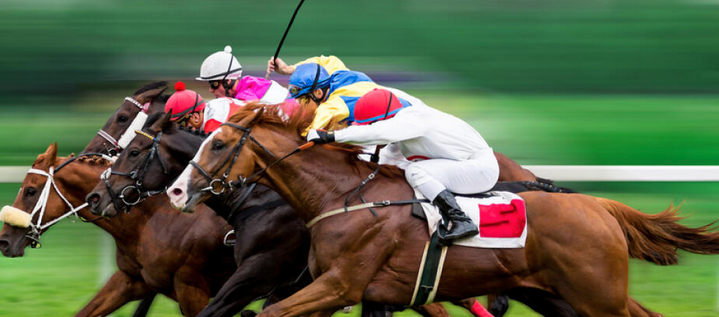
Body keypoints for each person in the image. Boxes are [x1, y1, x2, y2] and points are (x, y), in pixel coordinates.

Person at [306, 88, 498, 241]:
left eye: (371, 124)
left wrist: (330, 136)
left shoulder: (411, 120)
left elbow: (375, 133)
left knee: (416, 171)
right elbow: (385, 160)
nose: (369, 128)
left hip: (479, 170)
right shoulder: (403, 131)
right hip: (466, 165)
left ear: (384, 119)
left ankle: (461, 219)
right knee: (406, 171)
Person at [269, 55, 419, 133]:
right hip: (406, 102)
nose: (300, 106)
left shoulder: (334, 106)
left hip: (405, 125)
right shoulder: (334, 69)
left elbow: (307, 131)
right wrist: (290, 69)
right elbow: (323, 61)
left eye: (303, 100)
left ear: (318, 93)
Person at [197, 46, 288, 104]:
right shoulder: (249, 81)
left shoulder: (244, 98)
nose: (211, 90)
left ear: (228, 81)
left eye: (214, 84)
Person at [165, 82, 246, 135]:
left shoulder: (214, 126)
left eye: (182, 125)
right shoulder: (214, 105)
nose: (181, 132)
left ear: (195, 117)